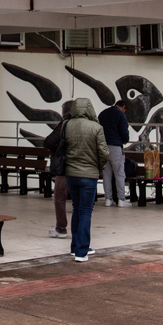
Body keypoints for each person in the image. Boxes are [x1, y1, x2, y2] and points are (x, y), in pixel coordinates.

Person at [64, 98, 109, 261]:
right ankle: (82, 250)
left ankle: (74, 246)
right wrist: (99, 167)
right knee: (85, 211)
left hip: (70, 174)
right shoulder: (96, 128)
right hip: (89, 175)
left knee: (76, 208)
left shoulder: (66, 125)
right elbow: (104, 152)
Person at [43, 100, 74, 238]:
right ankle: (80, 230)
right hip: (84, 168)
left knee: (59, 198)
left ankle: (61, 228)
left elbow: (48, 142)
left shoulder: (64, 125)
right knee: (81, 202)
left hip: (66, 167)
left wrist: (56, 149)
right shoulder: (88, 125)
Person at [98, 99, 131, 207]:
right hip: (115, 147)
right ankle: (121, 199)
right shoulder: (121, 115)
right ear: (123, 107)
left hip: (103, 147)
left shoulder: (102, 114)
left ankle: (108, 199)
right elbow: (124, 132)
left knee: (106, 174)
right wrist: (125, 140)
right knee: (119, 174)